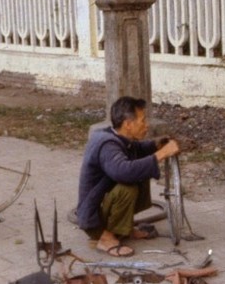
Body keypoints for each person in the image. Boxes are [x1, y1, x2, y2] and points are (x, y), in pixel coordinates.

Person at [76, 96, 181, 257]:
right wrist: (162, 153)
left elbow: (136, 149)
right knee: (128, 186)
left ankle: (124, 230)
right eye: (142, 121)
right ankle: (104, 237)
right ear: (128, 124)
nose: (146, 126)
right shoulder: (107, 144)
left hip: (102, 204)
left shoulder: (118, 137)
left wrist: (156, 145)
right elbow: (123, 171)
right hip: (92, 219)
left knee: (140, 169)